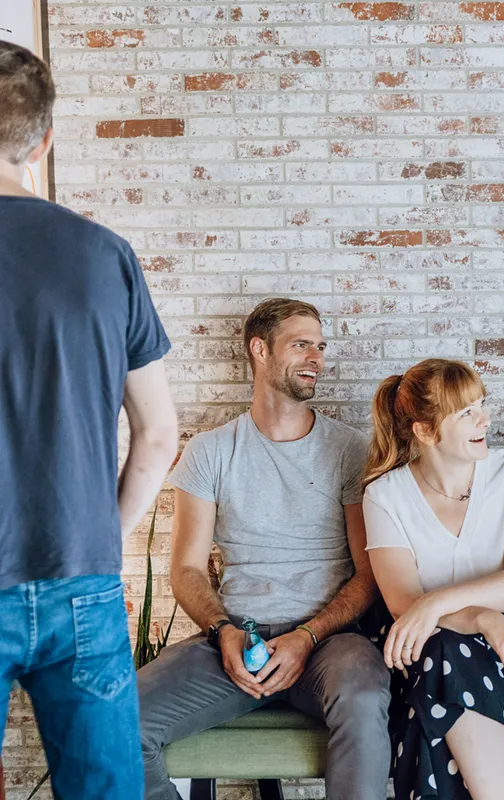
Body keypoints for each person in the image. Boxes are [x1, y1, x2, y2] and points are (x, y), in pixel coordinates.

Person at [0, 41, 178, 799]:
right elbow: (159, 436)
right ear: (43, 141)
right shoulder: (106, 255)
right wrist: (101, 540)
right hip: (83, 581)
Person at [137, 299, 391, 800]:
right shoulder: (210, 451)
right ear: (260, 350)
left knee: (363, 701)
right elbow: (187, 569)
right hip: (234, 642)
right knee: (115, 724)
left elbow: (369, 573)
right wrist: (224, 631)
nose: (316, 358)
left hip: (330, 642)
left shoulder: (349, 449)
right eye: (301, 345)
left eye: (320, 346)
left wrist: (307, 637)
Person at [362, 359, 504, 800]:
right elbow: (403, 606)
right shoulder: (385, 496)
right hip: (427, 647)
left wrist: (434, 603)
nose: (485, 419)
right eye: (467, 412)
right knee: (443, 652)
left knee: (431, 702)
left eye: (482, 403)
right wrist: (483, 616)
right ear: (426, 431)